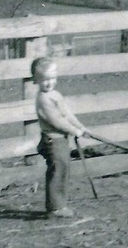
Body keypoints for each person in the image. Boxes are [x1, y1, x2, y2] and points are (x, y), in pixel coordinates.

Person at [31, 57, 90, 218]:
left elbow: (66, 113)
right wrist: (74, 131)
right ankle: (55, 208)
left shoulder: (55, 94)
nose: (49, 83)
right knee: (58, 170)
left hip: (61, 139)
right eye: (45, 80)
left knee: (63, 169)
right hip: (53, 140)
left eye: (53, 78)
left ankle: (59, 204)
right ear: (36, 80)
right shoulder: (43, 99)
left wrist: (80, 126)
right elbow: (56, 120)